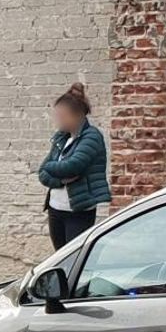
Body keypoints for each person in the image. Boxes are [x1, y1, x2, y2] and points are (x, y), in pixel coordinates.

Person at [38, 83, 110, 249]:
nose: (58, 120)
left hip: (78, 211)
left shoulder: (92, 137)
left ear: (77, 116)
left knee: (75, 257)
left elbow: (72, 166)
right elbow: (42, 173)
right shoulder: (61, 138)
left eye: (62, 116)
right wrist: (61, 181)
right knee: (60, 257)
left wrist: (50, 167)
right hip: (55, 209)